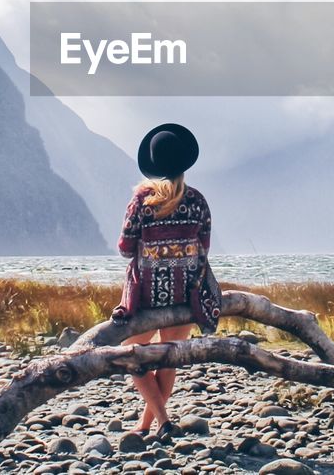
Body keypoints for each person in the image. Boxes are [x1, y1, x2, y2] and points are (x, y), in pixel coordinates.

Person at [111, 123, 222, 438]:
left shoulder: (142, 202)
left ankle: (158, 421)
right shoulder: (198, 201)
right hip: (185, 292)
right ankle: (156, 422)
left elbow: (124, 247)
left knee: (135, 357)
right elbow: (205, 247)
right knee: (168, 359)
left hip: (147, 295)